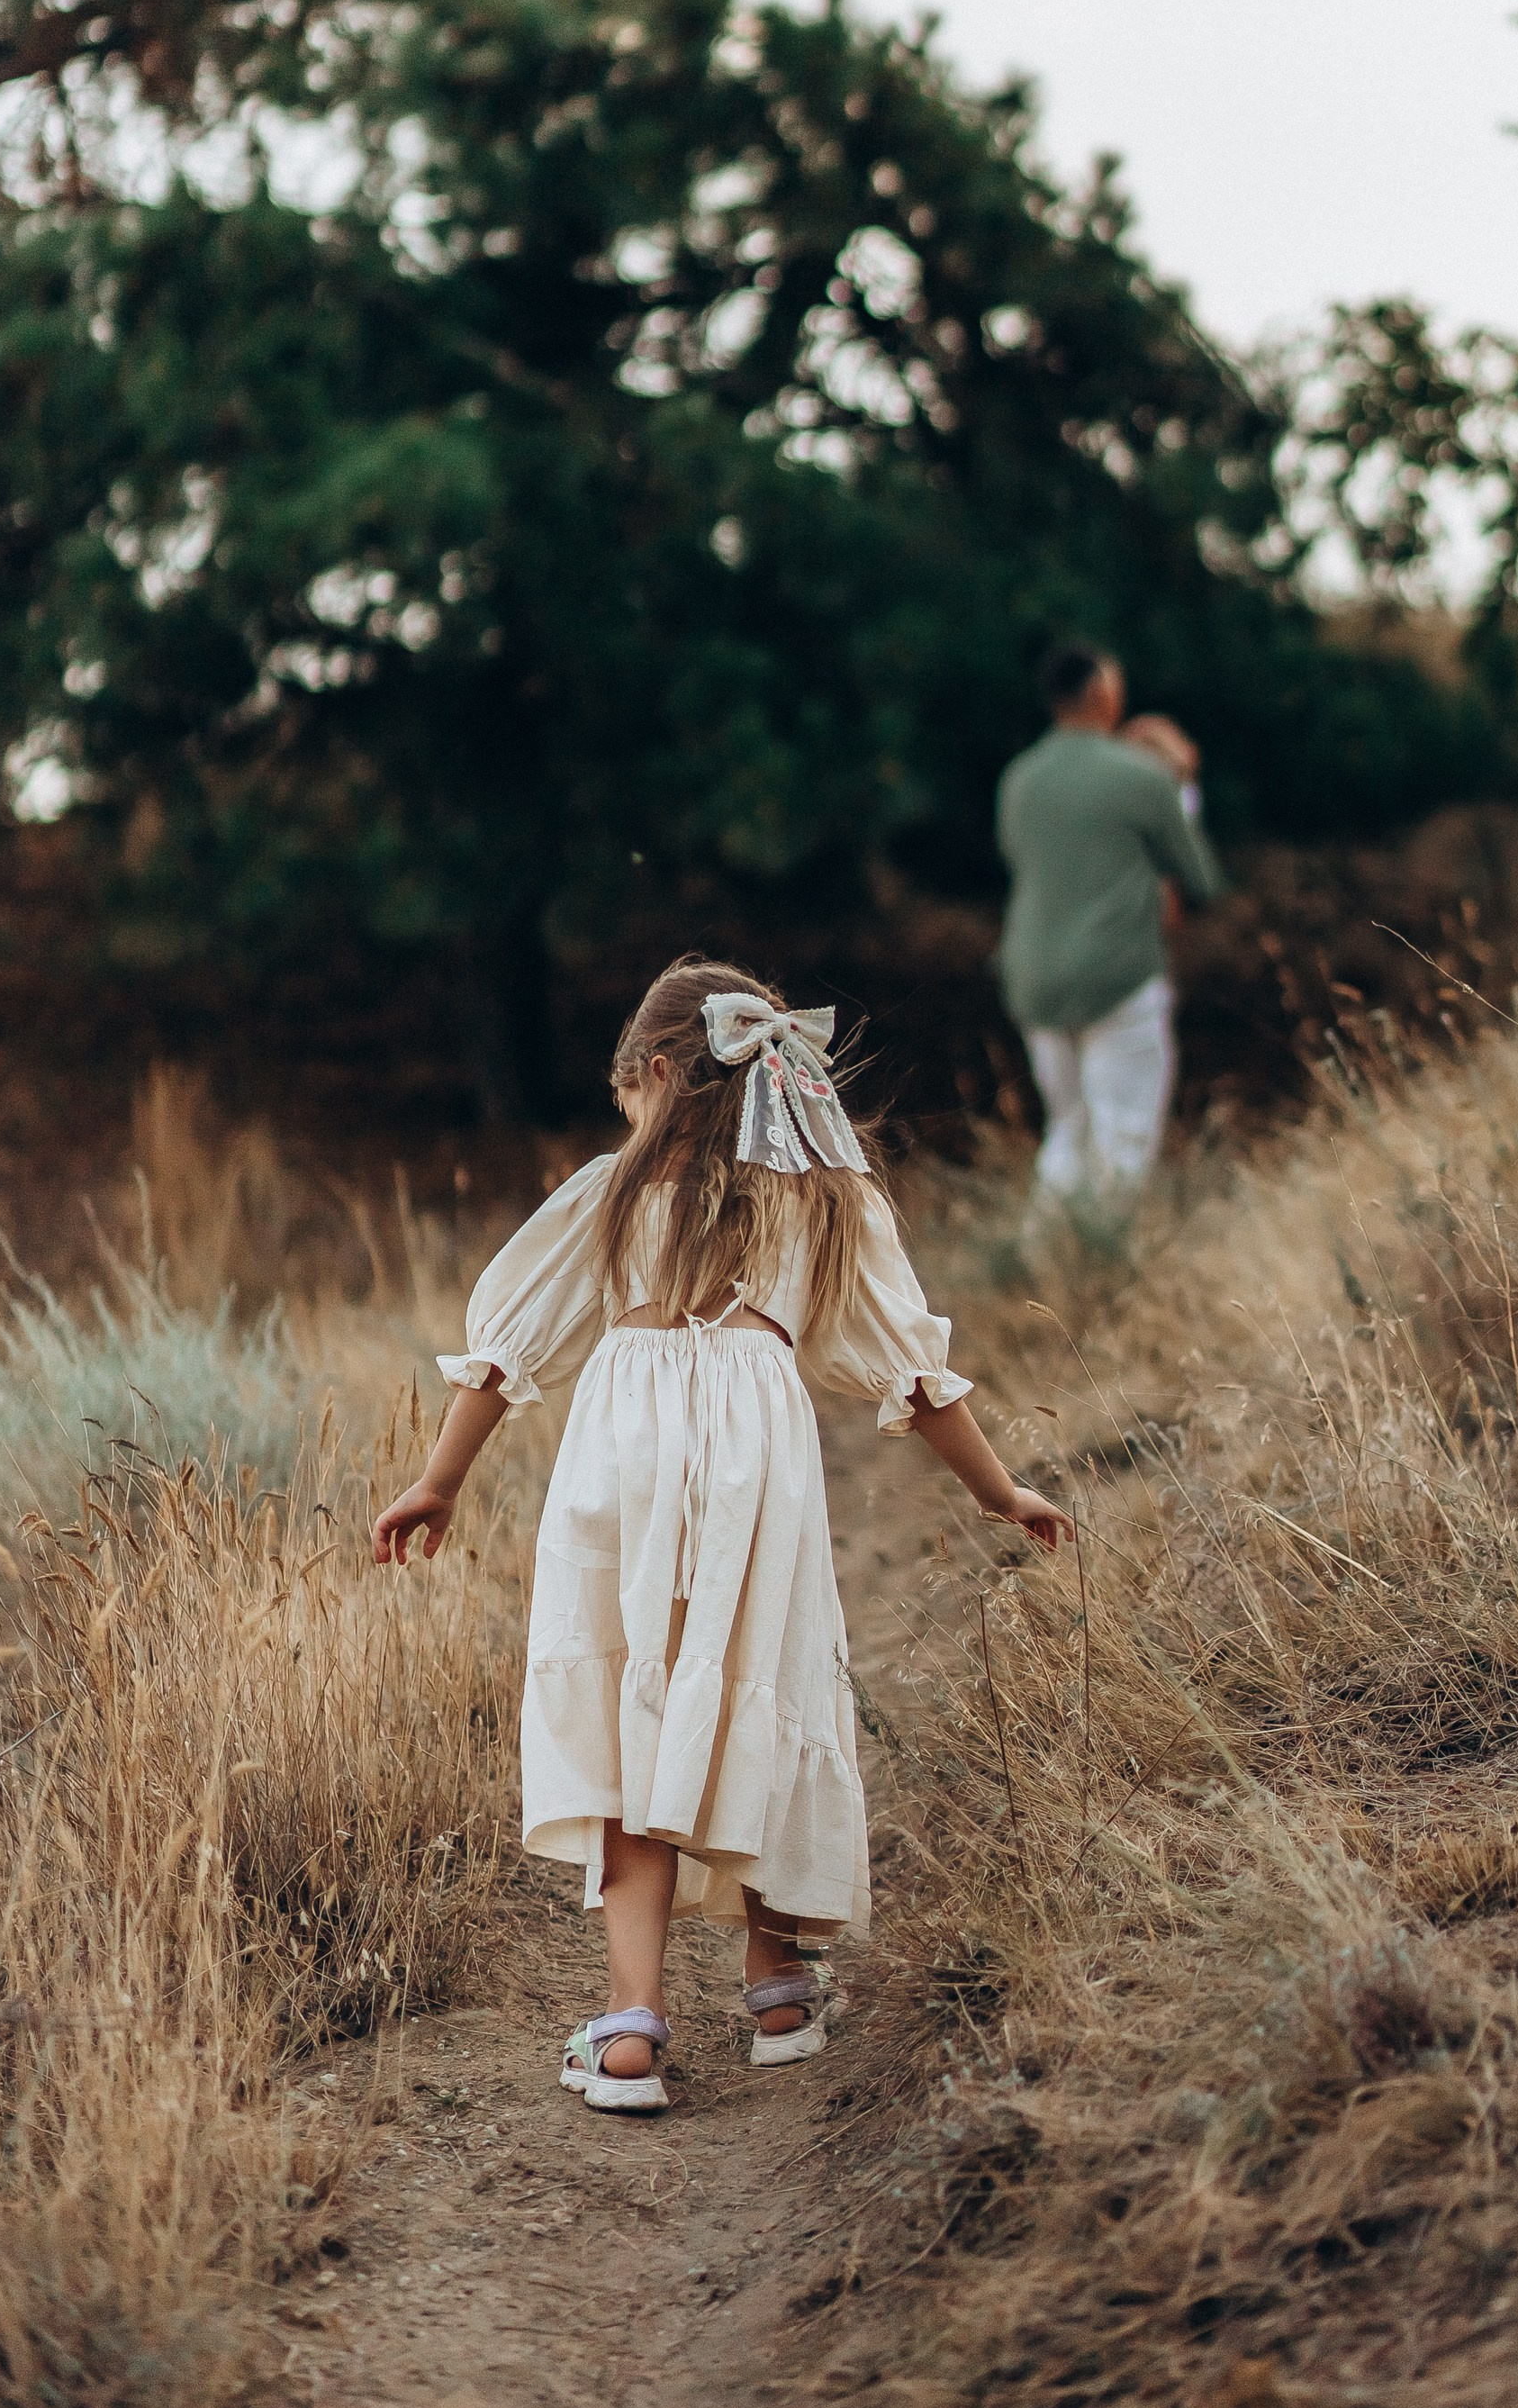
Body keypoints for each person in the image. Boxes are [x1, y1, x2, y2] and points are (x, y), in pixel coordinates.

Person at [372, 956, 1073, 2114]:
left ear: (656, 1073)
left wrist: (437, 1482)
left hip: (622, 1450)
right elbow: (913, 1372)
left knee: (632, 1707)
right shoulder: (823, 1198)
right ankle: (778, 1986)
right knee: (760, 1677)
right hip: (758, 1456)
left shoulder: (609, 1193)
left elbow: (503, 1355)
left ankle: (631, 2025)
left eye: (627, 1096)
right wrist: (1002, 1492)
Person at [997, 643, 1223, 1227]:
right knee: (1123, 1134)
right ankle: (1102, 1262)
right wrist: (1182, 783)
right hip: (1117, 976)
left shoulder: (1019, 779)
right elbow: (1199, 877)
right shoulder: (1141, 776)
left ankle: (1037, 1258)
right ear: (1101, 691)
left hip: (1033, 980)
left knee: (1067, 1130)